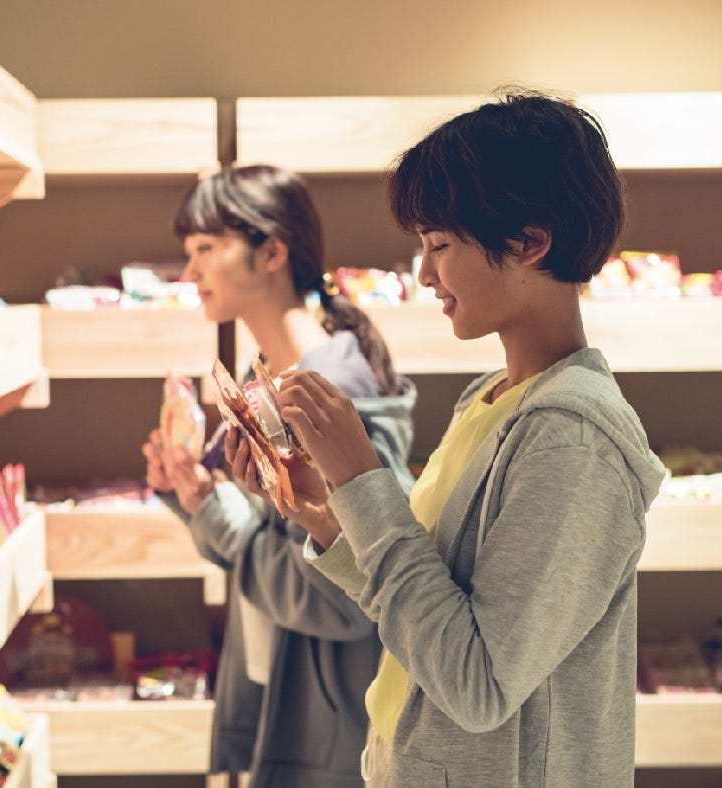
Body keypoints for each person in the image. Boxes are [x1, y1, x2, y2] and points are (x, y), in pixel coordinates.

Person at [228, 90, 667, 786]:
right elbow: (428, 611)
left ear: (528, 242)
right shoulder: (489, 399)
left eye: (439, 245)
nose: (425, 273)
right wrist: (329, 514)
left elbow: (477, 683)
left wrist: (365, 480)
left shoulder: (571, 435)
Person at [141, 164, 417, 787]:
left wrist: (219, 515)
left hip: (330, 725)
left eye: (208, 249)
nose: (191, 273)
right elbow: (264, 544)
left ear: (272, 252)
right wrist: (191, 494)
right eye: (190, 253)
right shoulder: (269, 373)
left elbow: (346, 594)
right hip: (283, 694)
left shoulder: (330, 392)